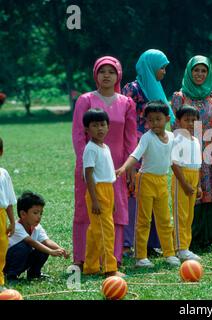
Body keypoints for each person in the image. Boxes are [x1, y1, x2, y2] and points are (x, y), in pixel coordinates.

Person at [72, 56, 137, 269]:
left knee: (115, 209)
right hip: (90, 166)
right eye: (102, 71)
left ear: (118, 74)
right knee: (87, 208)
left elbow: (130, 137)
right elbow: (78, 135)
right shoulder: (85, 100)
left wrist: (129, 167)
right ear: (95, 75)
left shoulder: (126, 102)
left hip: (116, 167)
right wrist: (84, 163)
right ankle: (84, 258)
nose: (106, 75)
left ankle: (112, 258)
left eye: (111, 71)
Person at [171, 55, 212, 248]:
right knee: (190, 188)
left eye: (204, 71)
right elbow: (174, 125)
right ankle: (190, 237)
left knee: (211, 189)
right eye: (196, 70)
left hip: (210, 150)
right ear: (189, 71)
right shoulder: (180, 97)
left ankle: (211, 234)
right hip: (187, 150)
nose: (200, 74)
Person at [122, 49, 175, 256]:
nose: (163, 72)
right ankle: (129, 243)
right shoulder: (132, 88)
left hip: (155, 149)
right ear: (150, 67)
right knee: (134, 194)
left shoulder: (156, 88)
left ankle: (153, 243)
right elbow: (125, 117)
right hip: (136, 147)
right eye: (161, 67)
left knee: (155, 198)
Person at [116, 101, 180, 267]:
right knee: (143, 220)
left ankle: (169, 253)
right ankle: (141, 257)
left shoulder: (172, 137)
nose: (154, 124)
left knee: (165, 219)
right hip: (145, 180)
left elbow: (173, 161)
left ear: (167, 119)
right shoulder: (146, 137)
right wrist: (123, 168)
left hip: (161, 181)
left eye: (158, 119)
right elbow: (135, 155)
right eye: (150, 120)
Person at [82, 109, 125, 277]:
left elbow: (106, 174)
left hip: (108, 190)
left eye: (102, 124)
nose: (100, 128)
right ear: (87, 129)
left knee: (95, 230)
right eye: (94, 125)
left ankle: (91, 266)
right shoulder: (91, 149)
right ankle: (110, 268)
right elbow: (88, 174)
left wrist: (112, 201)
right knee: (106, 231)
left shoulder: (104, 147)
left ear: (108, 127)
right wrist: (94, 200)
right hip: (97, 191)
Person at [4, 192, 70, 281]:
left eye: (41, 213)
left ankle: (34, 273)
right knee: (24, 246)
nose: (39, 217)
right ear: (23, 214)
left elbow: (46, 241)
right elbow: (31, 242)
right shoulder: (17, 227)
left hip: (21, 260)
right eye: (35, 213)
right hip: (7, 262)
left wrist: (60, 249)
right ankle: (11, 275)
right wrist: (51, 251)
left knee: (42, 247)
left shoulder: (36, 227)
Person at [171, 106, 202, 261]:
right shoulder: (177, 139)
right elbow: (174, 164)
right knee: (180, 215)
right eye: (186, 120)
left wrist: (199, 185)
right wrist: (184, 183)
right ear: (179, 121)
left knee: (190, 215)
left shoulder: (196, 140)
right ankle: (179, 248)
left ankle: (185, 246)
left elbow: (197, 163)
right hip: (181, 178)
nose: (190, 123)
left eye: (193, 120)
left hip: (194, 177)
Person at [0, 137, 16, 291]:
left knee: (1, 249)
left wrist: (12, 221)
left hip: (1, 217)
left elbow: (9, 201)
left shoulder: (3, 174)